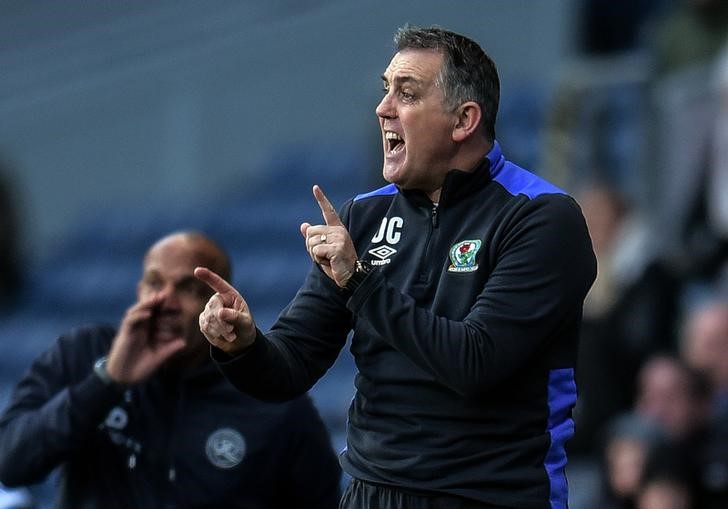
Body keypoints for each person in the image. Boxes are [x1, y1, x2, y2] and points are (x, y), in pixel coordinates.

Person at [196, 26, 597, 508]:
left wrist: (360, 282)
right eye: (386, 89)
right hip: (372, 493)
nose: (383, 108)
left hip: (490, 495)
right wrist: (241, 345)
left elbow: (476, 364)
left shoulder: (541, 217)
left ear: (464, 120)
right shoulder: (363, 216)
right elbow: (290, 366)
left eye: (406, 93)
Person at [0, 231, 341, 509]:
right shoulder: (83, 353)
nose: (164, 302)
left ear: (219, 302)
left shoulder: (271, 396)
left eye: (187, 289)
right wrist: (106, 382)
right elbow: (11, 462)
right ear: (138, 292)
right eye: (154, 284)